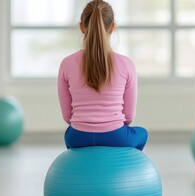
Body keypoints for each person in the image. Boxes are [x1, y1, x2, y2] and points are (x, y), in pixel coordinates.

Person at [58, 0, 147, 150]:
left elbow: (67, 116)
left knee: (69, 133)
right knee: (142, 133)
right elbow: (129, 116)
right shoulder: (126, 64)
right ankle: (120, 171)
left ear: (81, 27)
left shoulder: (67, 63)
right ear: (112, 27)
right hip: (116, 136)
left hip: (77, 138)